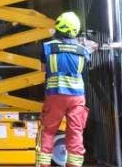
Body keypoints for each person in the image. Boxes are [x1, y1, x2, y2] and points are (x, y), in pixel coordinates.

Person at [36, 12, 90, 167]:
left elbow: (42, 69)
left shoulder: (47, 47)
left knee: (48, 132)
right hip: (77, 97)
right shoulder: (82, 50)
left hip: (56, 95)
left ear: (58, 26)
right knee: (75, 133)